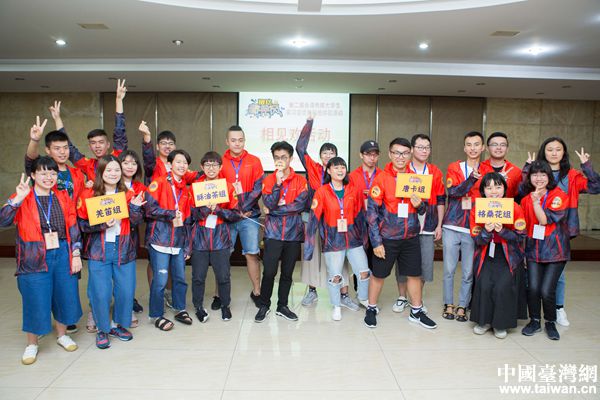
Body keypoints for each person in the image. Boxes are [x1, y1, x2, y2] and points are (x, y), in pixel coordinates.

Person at [1, 157, 83, 364]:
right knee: (35, 297)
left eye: (52, 173)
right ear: (33, 175)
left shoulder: (62, 196)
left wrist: (75, 253)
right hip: (34, 254)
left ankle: (62, 335)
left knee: (64, 293)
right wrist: (17, 199)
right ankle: (32, 344)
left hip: (62, 251)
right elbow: (3, 220)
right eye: (43, 173)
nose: (49, 177)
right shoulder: (24, 197)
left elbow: (73, 225)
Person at [522, 138, 600, 326]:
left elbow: (596, 187)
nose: (554, 153)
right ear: (544, 152)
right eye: (550, 149)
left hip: (561, 229)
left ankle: (558, 308)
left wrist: (587, 166)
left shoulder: (571, 175)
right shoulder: (536, 173)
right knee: (535, 278)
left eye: (558, 149)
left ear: (564, 153)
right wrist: (527, 168)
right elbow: (522, 190)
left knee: (558, 273)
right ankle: (538, 315)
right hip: (537, 229)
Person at [364, 138, 437, 329]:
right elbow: (371, 214)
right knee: (379, 275)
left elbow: (424, 209)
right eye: (396, 153)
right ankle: (371, 308)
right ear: (390, 154)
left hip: (410, 237)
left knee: (414, 274)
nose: (400, 157)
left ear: (410, 154)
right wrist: (376, 242)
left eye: (404, 153)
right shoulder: (381, 178)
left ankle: (416, 311)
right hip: (387, 237)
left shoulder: (416, 179)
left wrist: (419, 205)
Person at [25, 117, 86, 334]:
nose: (62, 152)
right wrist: (34, 140)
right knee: (42, 282)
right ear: (48, 150)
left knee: (68, 278)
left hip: (69, 229)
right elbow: (30, 160)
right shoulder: (42, 168)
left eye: (65, 148)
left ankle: (65, 318)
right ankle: (41, 325)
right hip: (40, 235)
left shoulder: (76, 173)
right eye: (57, 148)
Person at [77, 155, 145, 349]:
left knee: (125, 290)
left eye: (116, 170)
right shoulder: (89, 194)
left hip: (123, 247)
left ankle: (117, 325)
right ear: (101, 172)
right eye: (109, 170)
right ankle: (102, 328)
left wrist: (135, 208)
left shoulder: (128, 194)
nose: (113, 173)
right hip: (99, 250)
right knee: (100, 292)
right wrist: (101, 224)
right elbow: (81, 224)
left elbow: (137, 221)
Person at [138, 121, 201, 310]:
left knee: (178, 275)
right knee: (158, 272)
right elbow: (150, 208)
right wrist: (146, 139)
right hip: (159, 232)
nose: (167, 146)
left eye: (170, 143)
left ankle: (177, 305)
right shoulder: (156, 173)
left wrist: (214, 170)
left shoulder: (184, 185)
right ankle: (156, 310)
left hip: (178, 236)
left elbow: (198, 176)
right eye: (163, 143)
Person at [296, 117, 356, 310]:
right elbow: (300, 148)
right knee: (312, 256)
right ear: (320, 156)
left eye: (332, 153)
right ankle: (312, 291)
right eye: (325, 153)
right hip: (313, 220)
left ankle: (344, 294)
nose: (328, 156)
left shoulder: (342, 175)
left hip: (335, 222)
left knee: (341, 257)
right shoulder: (313, 168)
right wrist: (309, 123)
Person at [305, 157, 369, 321]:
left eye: (342, 167)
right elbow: (313, 218)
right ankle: (336, 306)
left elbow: (360, 215)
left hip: (353, 239)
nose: (340, 170)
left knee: (363, 272)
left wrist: (364, 239)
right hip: (333, 241)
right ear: (328, 171)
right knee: (335, 276)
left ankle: (363, 298)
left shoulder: (353, 190)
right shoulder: (322, 192)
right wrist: (309, 246)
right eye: (336, 167)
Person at [255, 141, 308, 322]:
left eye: (284, 157)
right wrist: (277, 184)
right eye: (277, 157)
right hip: (273, 233)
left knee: (287, 273)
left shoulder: (301, 181)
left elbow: (299, 205)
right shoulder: (268, 180)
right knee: (269, 272)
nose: (280, 160)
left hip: (293, 234)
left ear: (290, 158)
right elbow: (269, 203)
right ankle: (264, 305)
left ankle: (282, 306)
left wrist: (275, 211)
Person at [469, 172, 527, 339]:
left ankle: (500, 324)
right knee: (485, 285)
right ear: (483, 191)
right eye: (489, 188)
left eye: (498, 187)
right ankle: (484, 321)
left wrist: (503, 231)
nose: (494, 191)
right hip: (486, 252)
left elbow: (521, 236)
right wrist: (486, 232)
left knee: (502, 286)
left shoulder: (514, 207)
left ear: (504, 188)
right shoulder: (478, 209)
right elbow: (476, 238)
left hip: (508, 254)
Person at [394, 134, 445, 314]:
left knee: (424, 264)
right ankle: (402, 297)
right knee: (403, 263)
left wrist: (439, 225)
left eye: (427, 147)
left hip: (428, 224)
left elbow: (441, 199)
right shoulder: (403, 169)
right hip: (405, 224)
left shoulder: (434, 171)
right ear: (412, 149)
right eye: (420, 147)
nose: (424, 151)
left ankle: (417, 299)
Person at [189, 151, 241, 322]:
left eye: (215, 165)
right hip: (200, 237)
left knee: (223, 275)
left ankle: (225, 306)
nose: (211, 168)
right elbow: (192, 215)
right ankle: (198, 307)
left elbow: (235, 215)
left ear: (220, 167)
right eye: (207, 165)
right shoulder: (195, 187)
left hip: (221, 237)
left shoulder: (228, 187)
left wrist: (218, 209)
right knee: (198, 276)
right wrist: (206, 208)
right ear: (202, 167)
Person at [520, 160, 569, 340]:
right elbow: (524, 228)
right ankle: (534, 321)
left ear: (549, 177)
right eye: (535, 174)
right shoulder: (525, 200)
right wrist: (523, 253)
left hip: (555, 251)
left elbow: (544, 220)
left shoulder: (558, 196)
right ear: (529, 177)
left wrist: (536, 203)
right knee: (532, 288)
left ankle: (550, 322)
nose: (539, 178)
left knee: (547, 290)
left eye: (543, 174)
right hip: (533, 250)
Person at [145, 149, 194, 330]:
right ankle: (156, 315)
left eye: (185, 163)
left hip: (178, 243)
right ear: (169, 164)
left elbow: (187, 221)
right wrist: (170, 213)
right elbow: (149, 209)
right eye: (178, 162)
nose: (182, 165)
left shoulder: (185, 191)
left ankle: (180, 308)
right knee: (160, 280)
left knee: (180, 278)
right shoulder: (158, 183)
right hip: (160, 240)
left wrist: (188, 246)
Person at [441, 131, 485, 322]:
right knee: (449, 269)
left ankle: (462, 305)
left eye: (476, 144)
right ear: (464, 148)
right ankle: (448, 304)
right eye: (469, 144)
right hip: (452, 225)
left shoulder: (487, 170)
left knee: (468, 272)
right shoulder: (455, 167)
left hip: (473, 227)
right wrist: (472, 179)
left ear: (482, 148)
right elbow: (453, 191)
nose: (473, 148)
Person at [50, 80, 129, 182]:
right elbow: (70, 150)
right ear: (90, 146)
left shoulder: (117, 157)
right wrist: (57, 119)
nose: (97, 146)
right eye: (93, 143)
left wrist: (119, 100)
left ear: (108, 145)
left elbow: (120, 132)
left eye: (101, 142)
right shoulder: (88, 165)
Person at [220, 125, 264, 306]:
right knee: (222, 255)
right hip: (227, 217)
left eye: (240, 140)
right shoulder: (220, 162)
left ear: (244, 141)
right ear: (227, 141)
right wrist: (232, 210)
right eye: (233, 140)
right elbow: (216, 187)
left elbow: (258, 188)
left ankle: (257, 291)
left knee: (252, 253)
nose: (237, 143)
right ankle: (219, 294)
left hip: (249, 216)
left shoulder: (254, 161)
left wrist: (243, 207)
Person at [119, 149, 147, 326]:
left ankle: (127, 306)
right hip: (106, 235)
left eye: (134, 163)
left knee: (127, 275)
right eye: (126, 162)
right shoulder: (110, 185)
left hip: (130, 236)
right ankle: (96, 311)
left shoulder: (140, 188)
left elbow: (139, 219)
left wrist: (135, 210)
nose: (130, 166)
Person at [478, 132, 522, 198]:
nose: (498, 147)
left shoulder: (516, 171)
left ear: (507, 149)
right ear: (487, 148)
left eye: (503, 145)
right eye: (494, 144)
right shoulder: (478, 169)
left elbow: (519, 196)